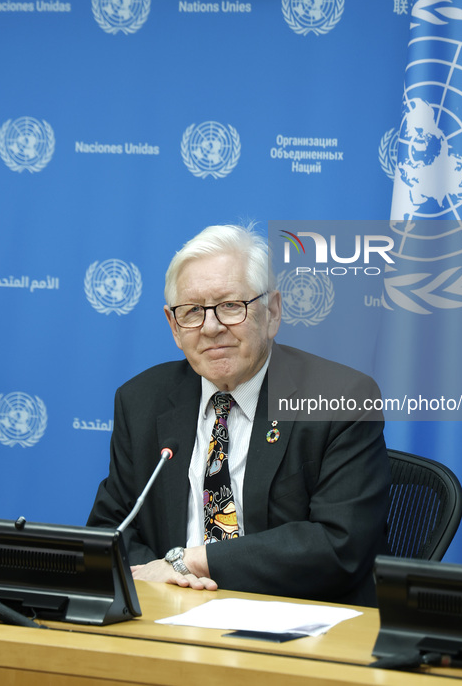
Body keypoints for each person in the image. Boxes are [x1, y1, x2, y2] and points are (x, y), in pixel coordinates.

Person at [87, 224, 391, 606]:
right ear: (174, 326)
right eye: (192, 311)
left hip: (299, 621)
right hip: (170, 616)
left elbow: (338, 544)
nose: (211, 327)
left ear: (273, 311)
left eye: (231, 305)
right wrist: (169, 581)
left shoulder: (340, 398)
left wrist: (191, 562)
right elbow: (112, 530)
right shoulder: (141, 400)